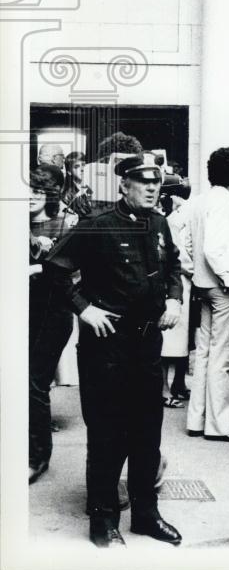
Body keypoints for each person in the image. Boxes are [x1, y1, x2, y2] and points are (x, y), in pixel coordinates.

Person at [47, 152, 183, 548]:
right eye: (143, 182)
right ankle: (102, 517)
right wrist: (84, 308)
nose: (153, 188)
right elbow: (55, 269)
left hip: (147, 345)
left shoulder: (159, 223)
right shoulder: (98, 226)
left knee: (146, 432)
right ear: (123, 185)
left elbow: (172, 267)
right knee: (107, 433)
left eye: (156, 182)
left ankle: (145, 513)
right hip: (107, 346)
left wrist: (174, 299)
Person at [184, 147, 229, 443]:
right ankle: (221, 425)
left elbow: (188, 243)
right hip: (223, 288)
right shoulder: (225, 202)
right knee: (224, 357)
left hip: (202, 284)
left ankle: (196, 419)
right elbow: (214, 248)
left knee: (205, 353)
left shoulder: (199, 201)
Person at [28, 166, 77, 484]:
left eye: (39, 189)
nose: (31, 195)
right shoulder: (16, 223)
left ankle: (37, 456)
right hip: (23, 313)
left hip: (54, 313)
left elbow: (70, 277)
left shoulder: (68, 223)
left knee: (34, 382)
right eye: (29, 188)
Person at [160, 184, 193, 407]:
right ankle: (164, 388)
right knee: (169, 338)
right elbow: (177, 256)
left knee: (184, 338)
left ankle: (178, 383)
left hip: (187, 282)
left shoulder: (178, 217)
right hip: (175, 281)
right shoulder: (169, 220)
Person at [62, 150, 92, 218]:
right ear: (69, 171)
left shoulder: (94, 186)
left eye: (84, 165)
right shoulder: (67, 195)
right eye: (76, 167)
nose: (82, 169)